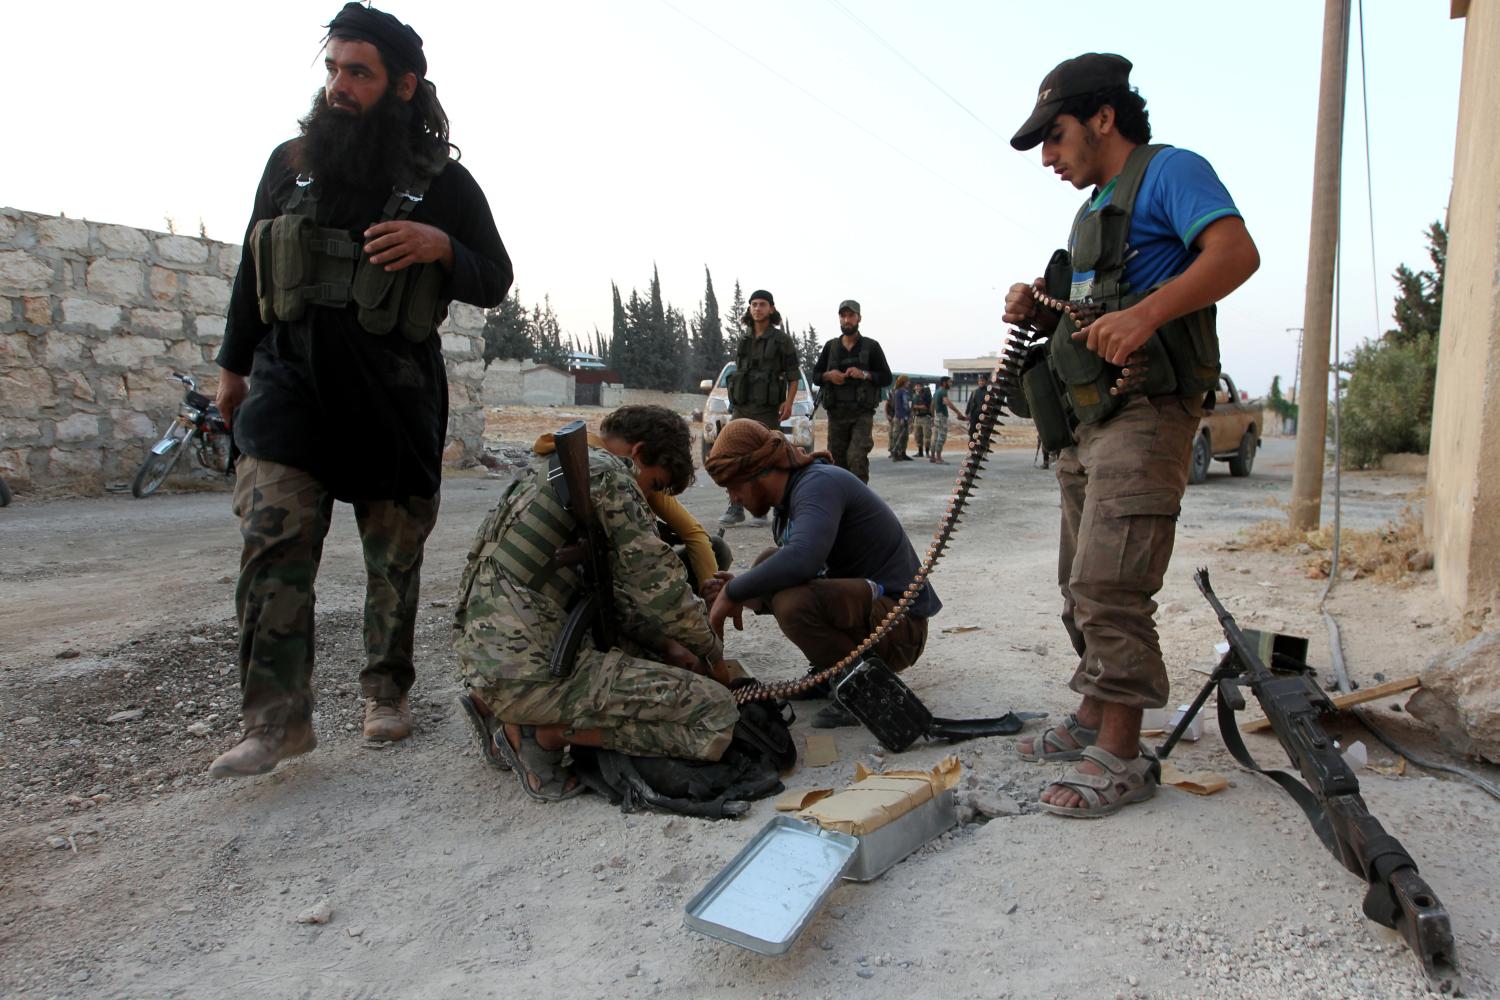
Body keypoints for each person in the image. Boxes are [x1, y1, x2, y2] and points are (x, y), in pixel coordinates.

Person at [208, 3, 513, 778]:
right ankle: (275, 721)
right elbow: (253, 271)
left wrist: (441, 246)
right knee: (271, 539)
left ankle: (386, 693)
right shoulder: (289, 163)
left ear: (402, 85)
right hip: (288, 385)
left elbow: (497, 279)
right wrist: (232, 366)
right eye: (334, 69)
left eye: (359, 72)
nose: (340, 86)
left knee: (392, 557)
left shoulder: (440, 182)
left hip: (391, 393)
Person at [1003, 53, 1259, 817]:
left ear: (1103, 118)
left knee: (1112, 583)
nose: (1048, 157)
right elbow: (1099, 313)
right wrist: (1041, 313)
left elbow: (1236, 253)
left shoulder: (1172, 172)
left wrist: (1149, 316)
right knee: (1077, 579)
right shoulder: (1092, 211)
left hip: (1149, 411)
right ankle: (1089, 717)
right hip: (1091, 418)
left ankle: (1121, 750)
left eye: (1055, 137)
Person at [453, 406, 740, 800]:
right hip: (528, 671)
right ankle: (541, 735)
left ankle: (500, 707)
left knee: (650, 657)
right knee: (716, 713)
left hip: (490, 658)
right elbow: (661, 588)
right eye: (654, 483)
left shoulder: (552, 469)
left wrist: (667, 646)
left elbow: (609, 594)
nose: (650, 497)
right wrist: (713, 656)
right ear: (638, 453)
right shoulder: (609, 476)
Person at [701, 419, 939, 729]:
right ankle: (832, 674)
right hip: (874, 614)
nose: (733, 498)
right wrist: (740, 590)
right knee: (768, 562)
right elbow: (795, 568)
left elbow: (803, 560)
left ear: (760, 470)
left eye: (735, 486)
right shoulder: (790, 500)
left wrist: (733, 595)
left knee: (793, 603)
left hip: (900, 628)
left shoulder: (818, 485)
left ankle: (863, 687)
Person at [721, 289, 799, 528]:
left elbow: (793, 376)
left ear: (771, 309)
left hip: (767, 409)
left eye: (762, 304)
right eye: (753, 304)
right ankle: (736, 506)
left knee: (766, 457)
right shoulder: (743, 339)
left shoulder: (782, 340)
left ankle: (761, 508)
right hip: (742, 407)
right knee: (733, 456)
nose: (757, 308)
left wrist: (788, 402)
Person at [811, 299, 893, 483]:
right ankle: (840, 504)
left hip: (861, 415)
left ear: (859, 318)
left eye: (851, 316)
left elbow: (886, 378)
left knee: (857, 458)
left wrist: (864, 374)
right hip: (836, 415)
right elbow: (815, 376)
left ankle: (859, 505)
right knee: (836, 463)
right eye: (843, 316)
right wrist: (828, 376)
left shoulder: (871, 347)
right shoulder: (831, 347)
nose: (847, 320)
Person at [930, 375, 964, 464]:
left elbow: (932, 405)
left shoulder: (937, 392)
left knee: (935, 437)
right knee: (941, 437)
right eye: (949, 382)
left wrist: (933, 417)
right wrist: (958, 413)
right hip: (942, 417)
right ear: (944, 383)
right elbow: (947, 402)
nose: (951, 384)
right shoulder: (943, 391)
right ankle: (938, 458)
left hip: (937, 416)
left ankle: (932, 457)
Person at [888, 375, 913, 461]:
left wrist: (910, 416)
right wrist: (901, 418)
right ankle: (895, 454)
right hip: (899, 418)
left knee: (904, 437)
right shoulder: (898, 392)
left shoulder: (905, 392)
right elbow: (898, 406)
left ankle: (903, 453)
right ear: (903, 382)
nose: (909, 383)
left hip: (905, 417)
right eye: (907, 381)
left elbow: (907, 406)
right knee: (897, 436)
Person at [911, 381, 933, 459]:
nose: (917, 387)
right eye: (916, 386)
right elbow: (912, 408)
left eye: (919, 386)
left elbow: (925, 407)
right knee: (917, 436)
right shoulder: (914, 396)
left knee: (927, 436)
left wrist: (916, 406)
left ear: (922, 387)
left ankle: (927, 452)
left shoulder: (926, 396)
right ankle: (920, 452)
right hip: (917, 417)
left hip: (925, 417)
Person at [964, 373, 990, 442]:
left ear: (985, 381)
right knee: (972, 433)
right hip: (974, 415)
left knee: (984, 433)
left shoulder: (989, 392)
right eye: (979, 381)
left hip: (985, 416)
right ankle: (972, 449)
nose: (981, 382)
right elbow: (970, 403)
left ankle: (983, 449)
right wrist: (967, 414)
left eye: (982, 381)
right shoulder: (974, 392)